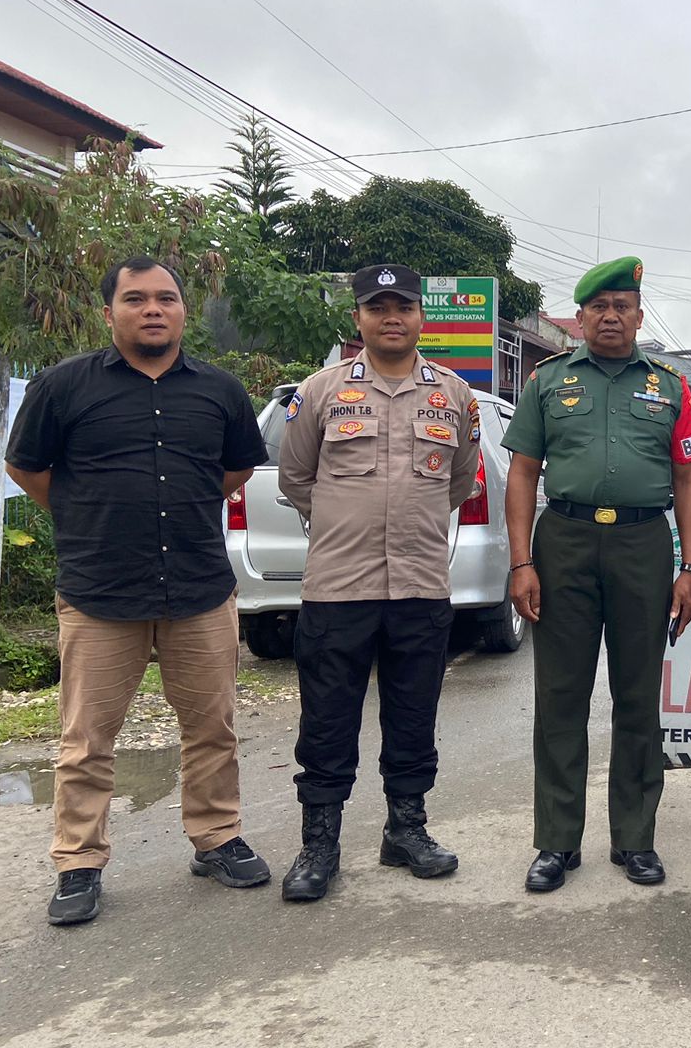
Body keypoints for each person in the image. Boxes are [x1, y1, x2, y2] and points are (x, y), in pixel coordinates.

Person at [5, 254, 272, 926]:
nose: (152, 309)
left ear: (183, 310)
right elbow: (27, 466)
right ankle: (78, 864)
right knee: (86, 739)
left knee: (212, 727)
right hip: (100, 591)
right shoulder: (63, 386)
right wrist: (85, 515)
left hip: (199, 588)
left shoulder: (219, 390)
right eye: (136, 299)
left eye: (165, 298)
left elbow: (237, 467)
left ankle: (215, 838)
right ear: (109, 312)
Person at [503, 257, 691, 892]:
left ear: (639, 316)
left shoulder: (671, 387)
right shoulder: (545, 382)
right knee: (560, 695)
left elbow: (687, 479)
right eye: (599, 307)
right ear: (582, 316)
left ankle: (635, 839)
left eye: (623, 306)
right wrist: (521, 562)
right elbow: (522, 474)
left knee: (638, 695)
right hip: (562, 539)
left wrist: (690, 568)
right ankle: (557, 842)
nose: (611, 316)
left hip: (643, 545)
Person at [276, 264, 480, 902]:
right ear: (358, 317)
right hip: (339, 585)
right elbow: (295, 478)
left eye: (403, 306)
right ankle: (320, 842)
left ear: (422, 317)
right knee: (328, 719)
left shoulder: (453, 396)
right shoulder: (320, 392)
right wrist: (348, 522)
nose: (391, 317)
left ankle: (406, 829)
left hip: (420, 584)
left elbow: (457, 482)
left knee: (414, 714)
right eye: (377, 306)